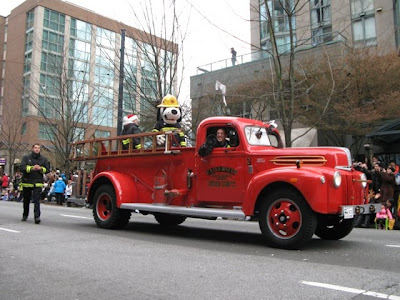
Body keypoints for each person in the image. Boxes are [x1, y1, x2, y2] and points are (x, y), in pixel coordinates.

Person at [20, 143, 50, 224]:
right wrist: (31, 168)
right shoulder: (26, 157)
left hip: (38, 183)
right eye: (35, 148)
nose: (37, 149)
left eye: (38, 148)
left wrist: (41, 168)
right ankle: (25, 215)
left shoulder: (43, 159)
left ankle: (37, 217)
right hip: (27, 182)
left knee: (37, 200)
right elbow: (22, 168)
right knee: (26, 200)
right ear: (32, 149)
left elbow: (47, 170)